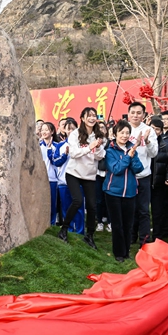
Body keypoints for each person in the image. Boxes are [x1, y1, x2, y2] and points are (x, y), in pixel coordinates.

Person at [57, 107, 105, 249]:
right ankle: (64, 229)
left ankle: (89, 236)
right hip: (74, 173)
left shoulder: (97, 135)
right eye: (88, 115)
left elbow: (100, 156)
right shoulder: (75, 134)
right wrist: (89, 147)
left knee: (92, 206)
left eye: (94, 115)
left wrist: (98, 147)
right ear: (82, 118)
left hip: (89, 175)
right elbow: (74, 153)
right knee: (77, 200)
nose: (92, 118)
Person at [103, 120, 144, 262]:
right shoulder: (110, 150)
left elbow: (139, 169)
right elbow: (116, 169)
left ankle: (126, 251)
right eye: (122, 132)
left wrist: (132, 156)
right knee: (117, 224)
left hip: (130, 192)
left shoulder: (132, 148)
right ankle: (119, 252)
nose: (125, 135)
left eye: (127, 133)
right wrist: (128, 156)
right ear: (115, 134)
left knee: (128, 223)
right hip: (113, 192)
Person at [126, 102, 158, 246]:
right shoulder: (123, 128)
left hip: (144, 176)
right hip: (126, 175)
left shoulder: (149, 130)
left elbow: (154, 153)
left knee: (144, 210)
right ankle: (130, 236)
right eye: (133, 112)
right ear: (128, 113)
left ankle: (144, 240)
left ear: (144, 115)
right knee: (129, 208)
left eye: (139, 113)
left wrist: (148, 141)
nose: (135, 115)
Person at [149, 118, 168, 240]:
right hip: (143, 182)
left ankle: (157, 236)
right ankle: (137, 235)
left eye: (157, 129)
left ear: (161, 131)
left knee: (158, 211)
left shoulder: (166, 146)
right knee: (141, 211)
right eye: (152, 128)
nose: (154, 131)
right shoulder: (141, 144)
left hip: (159, 184)